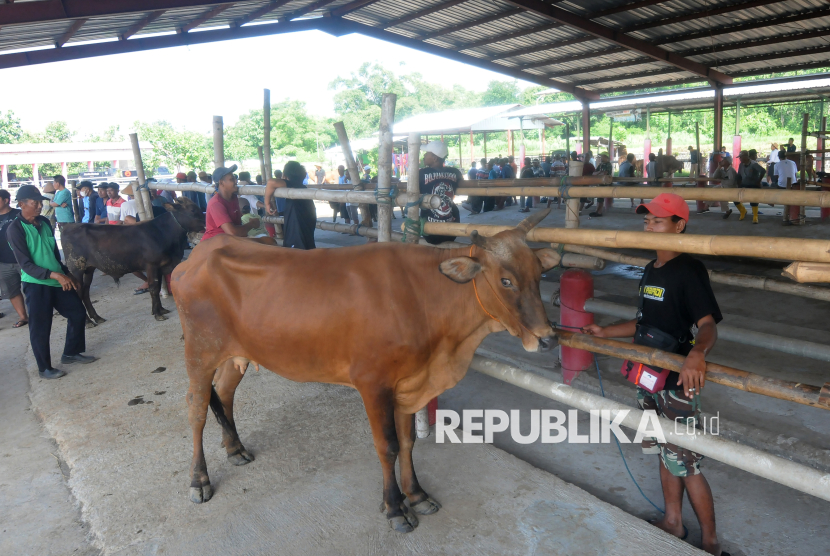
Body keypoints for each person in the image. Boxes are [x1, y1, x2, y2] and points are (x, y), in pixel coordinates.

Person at [582, 193, 725, 556]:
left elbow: (707, 324)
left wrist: (697, 352)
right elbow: (644, 322)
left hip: (678, 380)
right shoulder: (650, 269)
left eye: (658, 221)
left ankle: (710, 542)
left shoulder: (689, 270)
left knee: (686, 463)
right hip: (649, 374)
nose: (649, 225)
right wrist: (605, 332)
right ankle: (673, 522)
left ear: (680, 226)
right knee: (665, 453)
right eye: (646, 220)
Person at [7, 185, 97, 379]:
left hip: (57, 279)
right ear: (22, 204)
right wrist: (55, 275)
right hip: (36, 284)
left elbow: (54, 254)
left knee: (77, 313)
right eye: (35, 203)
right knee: (40, 326)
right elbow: (25, 265)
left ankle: (71, 353)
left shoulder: (45, 222)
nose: (39, 206)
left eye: (40, 202)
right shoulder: (15, 229)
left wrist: (67, 274)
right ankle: (44, 368)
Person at [418, 140, 462, 245]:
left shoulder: (421, 174)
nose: (424, 155)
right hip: (452, 225)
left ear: (434, 158)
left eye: (426, 153)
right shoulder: (455, 172)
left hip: (430, 228)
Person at [202, 165, 261, 242]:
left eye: (235, 178)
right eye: (232, 179)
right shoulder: (216, 204)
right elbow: (232, 233)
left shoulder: (233, 198)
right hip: (217, 244)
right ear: (221, 183)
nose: (236, 181)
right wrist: (251, 224)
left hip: (229, 241)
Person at [0, 189, 29, 328]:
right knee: (12, 291)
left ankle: (38, 312)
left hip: (23, 260)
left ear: (6, 200)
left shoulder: (19, 215)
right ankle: (23, 316)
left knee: (32, 287)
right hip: (3, 262)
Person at [274, 161, 316, 250]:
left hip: (296, 230)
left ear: (285, 176)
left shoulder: (292, 184)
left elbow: (271, 182)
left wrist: (267, 203)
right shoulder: (302, 188)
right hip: (306, 227)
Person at [736, 150, 765, 224]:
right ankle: (743, 211)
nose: (740, 159)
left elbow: (763, 171)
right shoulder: (741, 165)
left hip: (753, 184)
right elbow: (739, 175)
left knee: (753, 199)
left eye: (741, 157)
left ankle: (755, 216)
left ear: (746, 157)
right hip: (744, 184)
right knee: (735, 197)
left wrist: (758, 181)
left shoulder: (753, 164)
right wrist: (738, 185)